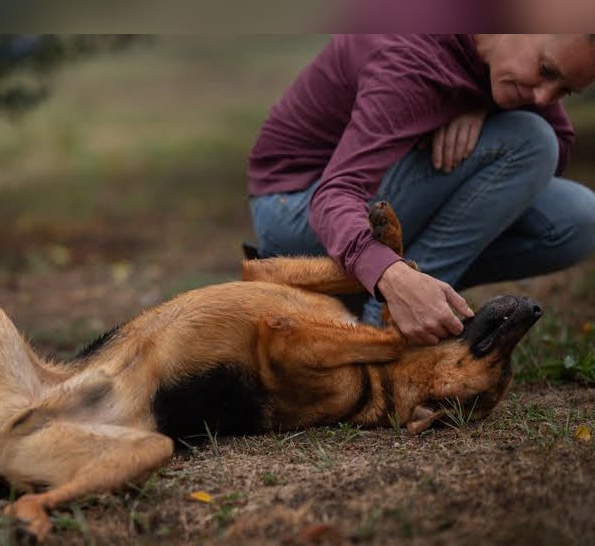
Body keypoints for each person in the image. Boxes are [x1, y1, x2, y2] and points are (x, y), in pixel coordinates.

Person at [247, 34, 595, 345]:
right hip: (295, 209)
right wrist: (392, 275)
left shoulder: (506, 56)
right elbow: (334, 196)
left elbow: (560, 147)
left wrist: (484, 107)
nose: (544, 97)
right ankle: (388, 320)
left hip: (375, 198)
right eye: (547, 70)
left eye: (564, 90)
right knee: (529, 140)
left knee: (578, 219)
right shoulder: (410, 59)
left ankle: (380, 297)